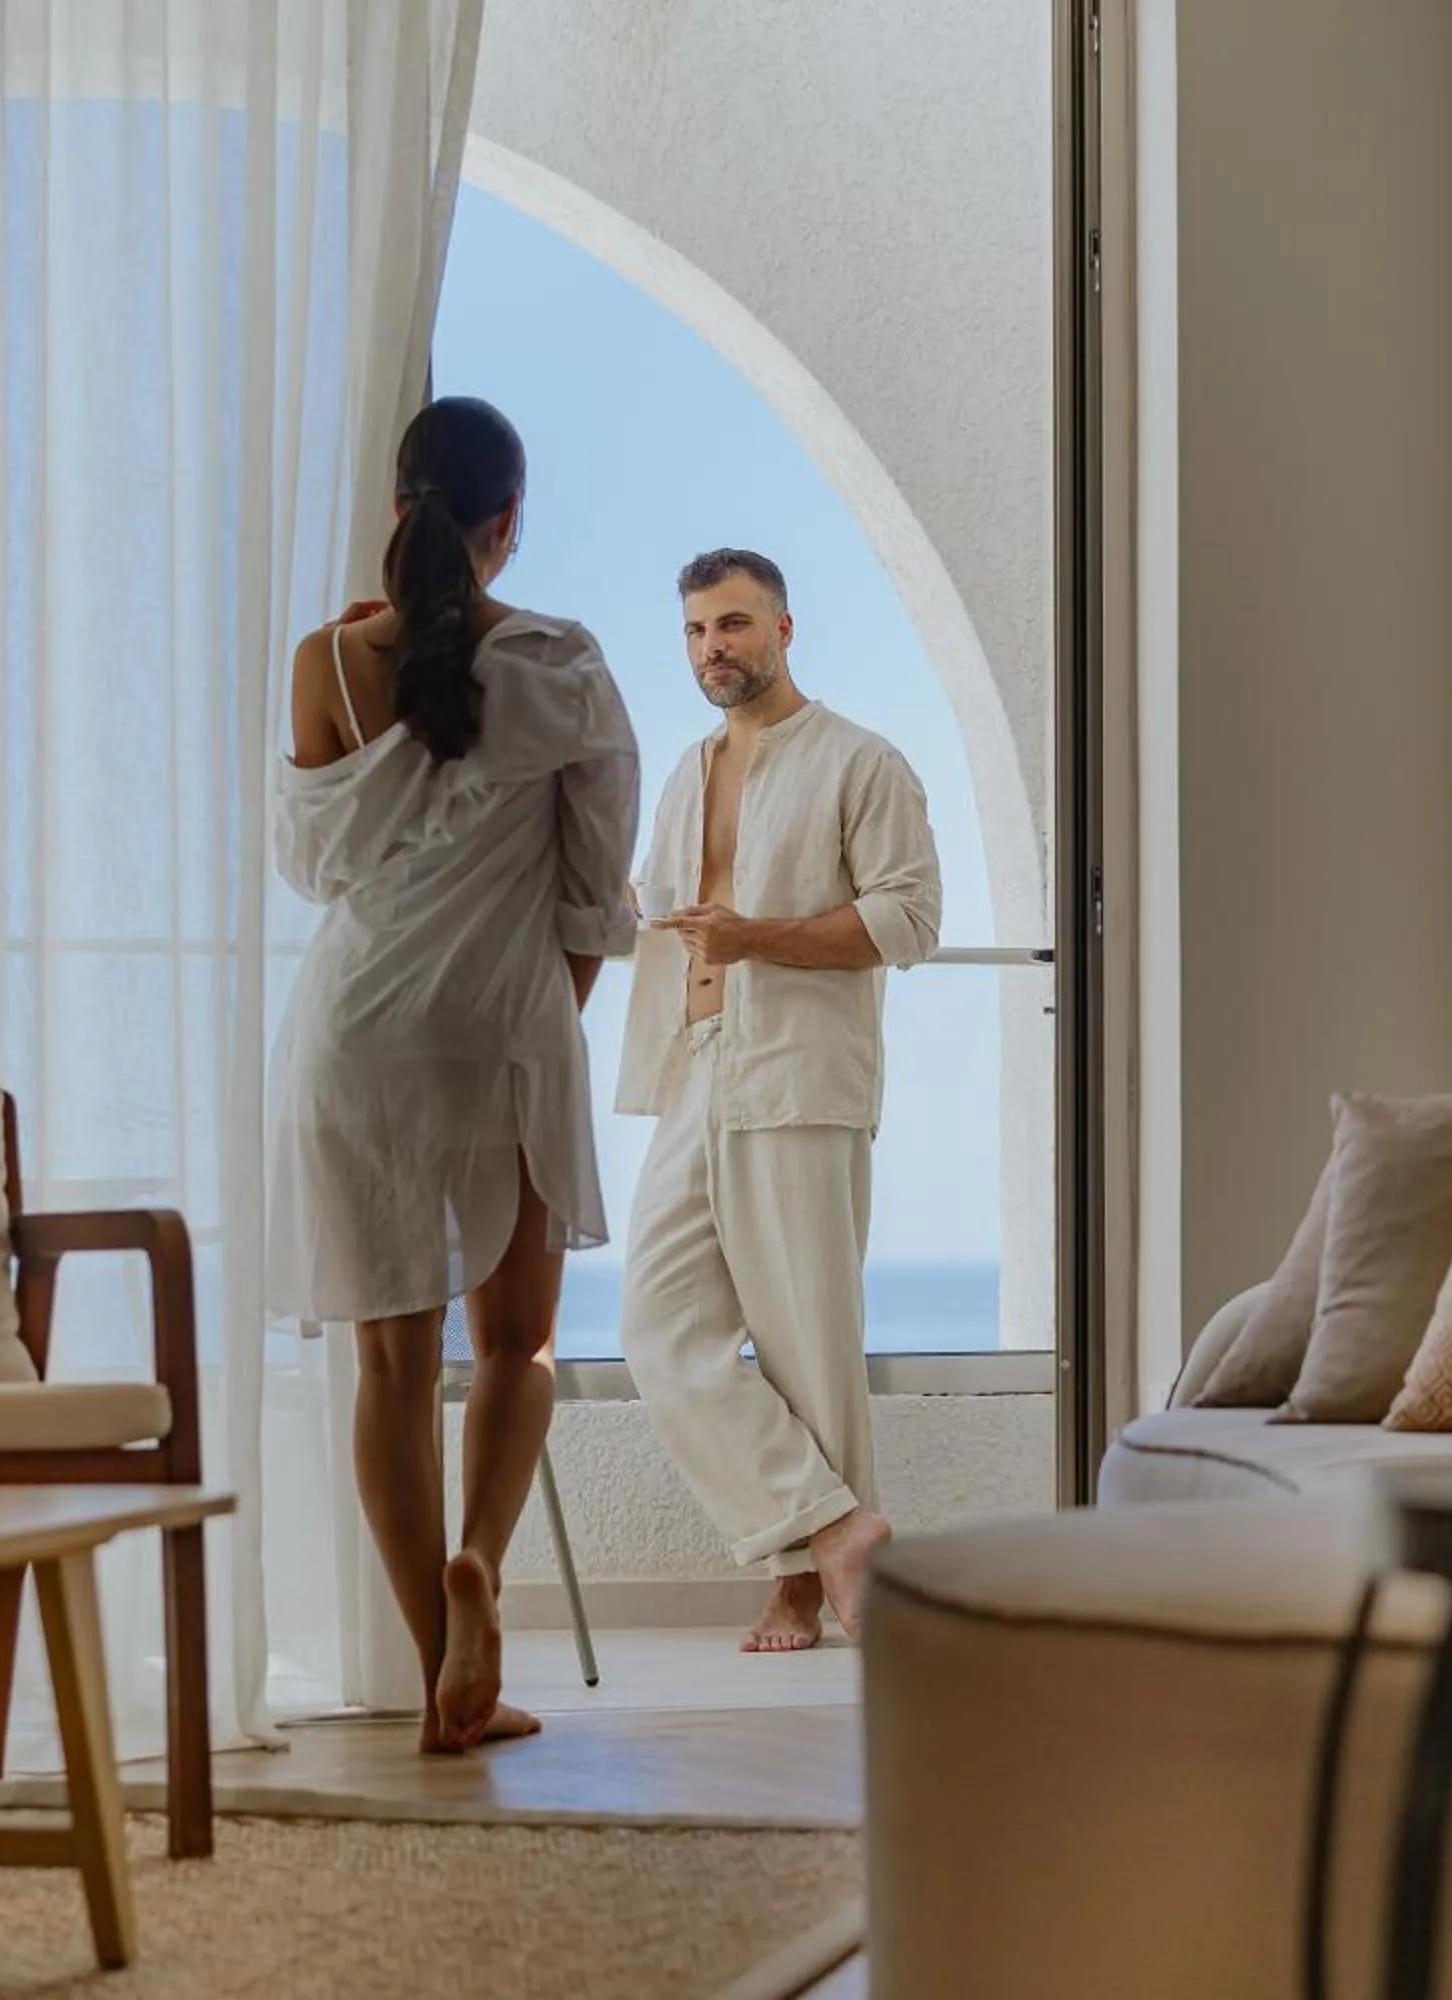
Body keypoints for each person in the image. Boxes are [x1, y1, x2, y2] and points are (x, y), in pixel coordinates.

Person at [263, 398, 641, 1751]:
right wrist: (543, 1014)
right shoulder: (567, 664)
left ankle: (438, 1668)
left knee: (389, 1365)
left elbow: (315, 869)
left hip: (354, 1039)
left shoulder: (327, 661)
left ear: (398, 507)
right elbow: (599, 896)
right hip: (506, 1030)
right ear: (508, 522)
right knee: (517, 1344)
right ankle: (482, 1557)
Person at [616, 548, 941, 1652]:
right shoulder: (685, 772)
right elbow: (664, 914)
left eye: (737, 624)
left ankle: (799, 1584)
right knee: (658, 1326)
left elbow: (909, 919)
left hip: (802, 1072)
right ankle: (840, 1527)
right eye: (701, 630)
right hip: (693, 1066)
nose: (717, 647)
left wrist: (757, 938)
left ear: (787, 628)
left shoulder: (862, 761)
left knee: (810, 1340)